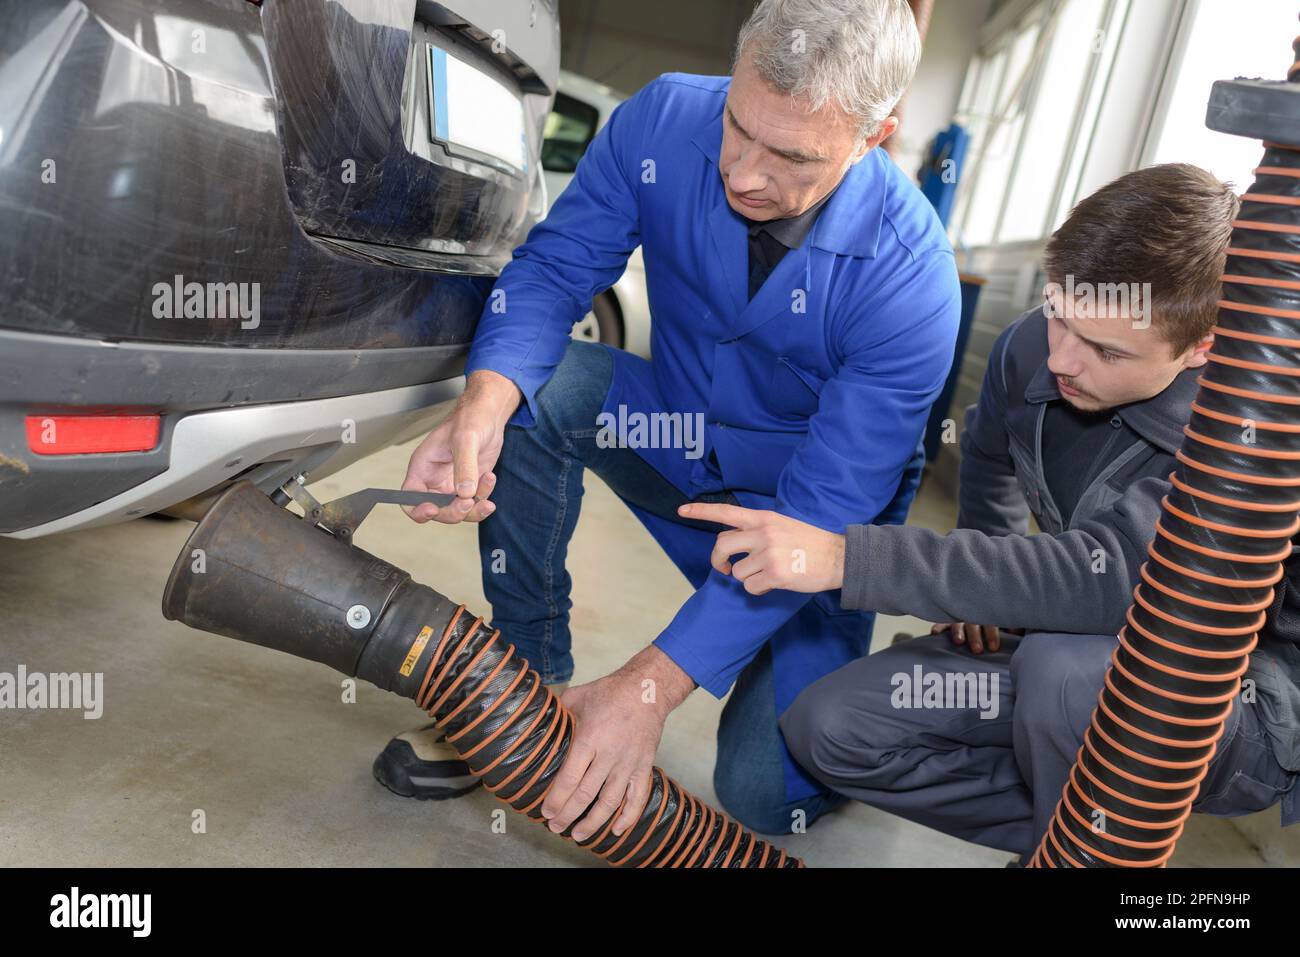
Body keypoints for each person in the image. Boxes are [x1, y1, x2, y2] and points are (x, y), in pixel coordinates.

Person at [371, 0, 963, 840]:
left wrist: (648, 684)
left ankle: (810, 675)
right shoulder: (663, 117)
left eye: (791, 155)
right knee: (537, 394)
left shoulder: (912, 283)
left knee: (765, 791)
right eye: (739, 127)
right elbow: (555, 268)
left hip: (802, 528)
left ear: (876, 136)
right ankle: (528, 687)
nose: (745, 173)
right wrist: (485, 400)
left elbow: (820, 516)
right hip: (677, 442)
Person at [684, 163, 1300, 855]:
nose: (1060, 358)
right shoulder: (1042, 343)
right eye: (1058, 311)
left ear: (1200, 349)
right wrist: (985, 567)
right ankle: (1066, 816)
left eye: (1104, 349)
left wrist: (845, 558)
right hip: (1072, 655)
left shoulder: (1246, 436)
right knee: (828, 725)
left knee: (1065, 675)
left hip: (1241, 697)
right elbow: (986, 450)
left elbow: (1114, 579)